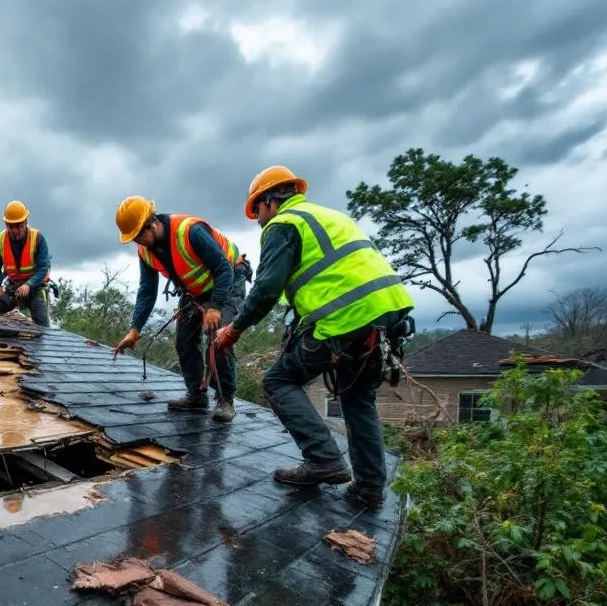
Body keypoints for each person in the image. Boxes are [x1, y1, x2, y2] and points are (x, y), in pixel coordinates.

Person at [214, 166, 414, 506]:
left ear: (269, 201)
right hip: (388, 315)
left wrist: (234, 329)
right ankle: (369, 488)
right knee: (357, 400)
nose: (258, 220)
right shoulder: (331, 217)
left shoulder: (283, 223)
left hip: (348, 317)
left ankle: (323, 460)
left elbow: (266, 289)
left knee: (278, 381)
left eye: (257, 211)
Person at [111, 196, 250, 423]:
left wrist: (215, 307)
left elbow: (223, 268)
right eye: (133, 238)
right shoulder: (145, 251)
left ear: (151, 224)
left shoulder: (189, 232)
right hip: (195, 292)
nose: (137, 242)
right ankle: (197, 396)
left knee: (218, 337)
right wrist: (134, 329)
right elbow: (147, 291)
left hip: (228, 281)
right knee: (184, 340)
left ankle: (226, 401)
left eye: (138, 235)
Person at [0, 200, 52, 327]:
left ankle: (40, 335)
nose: (15, 230)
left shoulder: (37, 238)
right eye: (11, 226)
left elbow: (43, 268)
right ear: (6, 224)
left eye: (19, 226)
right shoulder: (0, 240)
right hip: (14, 287)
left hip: (35, 287)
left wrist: (28, 285)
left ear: (25, 222)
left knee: (42, 324)